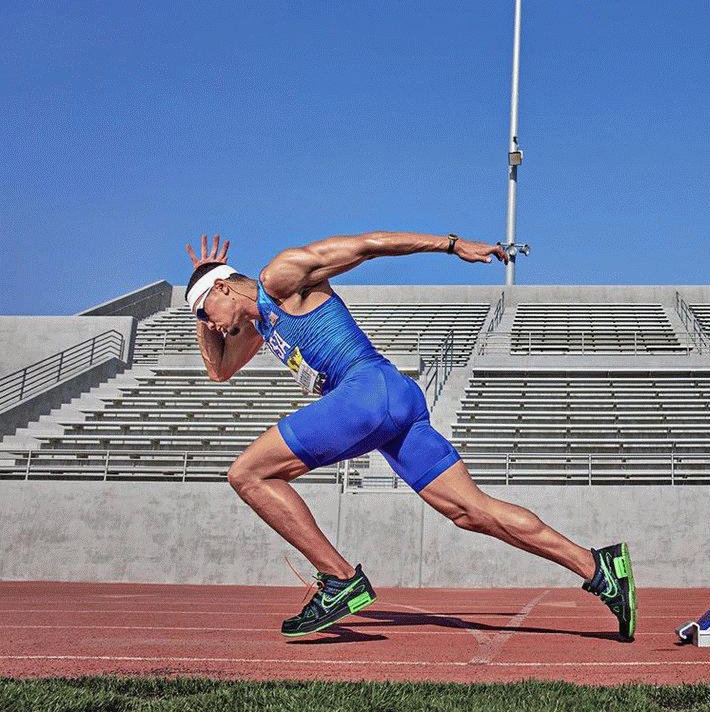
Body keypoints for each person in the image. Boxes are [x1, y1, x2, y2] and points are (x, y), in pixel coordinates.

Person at [183, 232, 636, 639]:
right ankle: (599, 569)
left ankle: (339, 579)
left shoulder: (278, 278)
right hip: (392, 403)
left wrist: (451, 245)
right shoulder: (259, 325)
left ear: (223, 287)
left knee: (247, 474)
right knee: (471, 511)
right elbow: (218, 370)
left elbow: (368, 245)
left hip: (366, 390)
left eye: (206, 312)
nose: (211, 324)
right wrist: (199, 303)